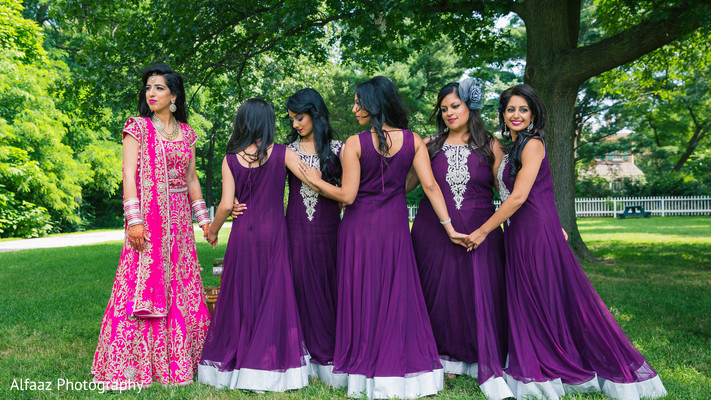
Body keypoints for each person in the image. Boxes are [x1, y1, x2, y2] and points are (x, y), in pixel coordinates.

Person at [466, 84, 667, 400]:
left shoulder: (532, 145)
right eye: (510, 109)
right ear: (503, 114)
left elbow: (520, 196)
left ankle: (553, 359)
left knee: (540, 294)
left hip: (532, 230)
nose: (516, 115)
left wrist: (482, 231)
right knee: (533, 296)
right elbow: (537, 190)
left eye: (523, 109)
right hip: (521, 230)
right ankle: (538, 351)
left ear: (532, 114)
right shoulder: (509, 147)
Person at [300, 76, 468, 399]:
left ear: (373, 105)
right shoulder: (413, 140)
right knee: (395, 294)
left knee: (362, 295)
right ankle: (399, 371)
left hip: (358, 230)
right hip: (393, 229)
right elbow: (428, 186)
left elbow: (347, 196)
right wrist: (449, 227)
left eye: (358, 103)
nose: (354, 109)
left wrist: (315, 182)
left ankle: (364, 373)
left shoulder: (355, 143)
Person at [92, 63, 211, 389]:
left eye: (159, 87)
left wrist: (204, 220)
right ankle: (134, 368)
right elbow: (128, 175)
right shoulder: (138, 127)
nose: (152, 93)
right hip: (149, 222)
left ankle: (186, 363)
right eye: (148, 88)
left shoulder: (187, 134)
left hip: (180, 224)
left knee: (184, 286)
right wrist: (134, 221)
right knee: (142, 288)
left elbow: (191, 179)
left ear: (174, 94)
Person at [198, 98, 315, 392]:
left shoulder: (230, 158)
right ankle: (267, 362)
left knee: (242, 295)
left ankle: (239, 362)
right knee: (273, 294)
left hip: (243, 234)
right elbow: (311, 179)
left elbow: (226, 205)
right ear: (267, 123)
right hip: (274, 232)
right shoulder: (283, 154)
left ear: (242, 123)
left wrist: (212, 231)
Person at [407, 78, 513, 400]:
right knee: (439, 293)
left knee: (478, 293)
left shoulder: (492, 145)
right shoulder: (430, 145)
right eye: (444, 109)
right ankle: (442, 359)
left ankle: (478, 356)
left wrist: (549, 224)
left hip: (481, 232)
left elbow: (509, 193)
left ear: (470, 107)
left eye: (455, 106)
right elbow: (409, 184)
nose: (450, 113)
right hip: (433, 231)